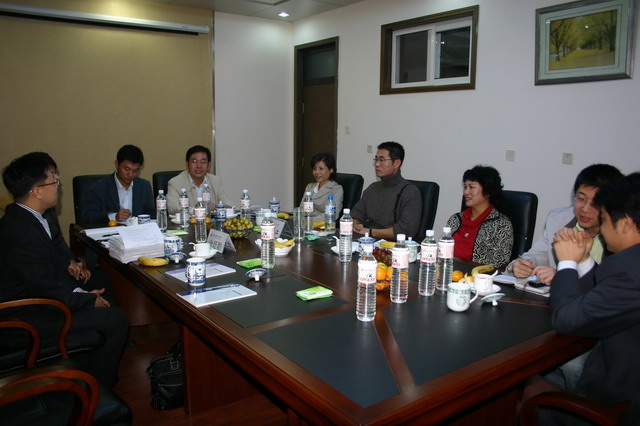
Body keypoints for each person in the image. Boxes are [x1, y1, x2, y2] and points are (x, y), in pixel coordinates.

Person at [0, 152, 128, 389]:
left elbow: (48, 268)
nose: (58, 185)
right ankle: (98, 387)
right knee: (117, 320)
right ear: (37, 191)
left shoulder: (28, 216)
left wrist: (75, 274)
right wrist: (87, 299)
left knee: (102, 279)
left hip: (42, 296)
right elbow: (45, 289)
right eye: (54, 180)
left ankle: (93, 358)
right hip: (29, 317)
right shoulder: (22, 233)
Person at [541, 173, 640, 424]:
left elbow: (565, 319)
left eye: (604, 220)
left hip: (616, 400)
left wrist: (567, 263)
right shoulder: (631, 265)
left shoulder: (627, 269)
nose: (602, 231)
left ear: (625, 224)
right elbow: (609, 296)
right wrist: (584, 260)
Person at [506, 164, 622, 284]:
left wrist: (563, 276)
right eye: (581, 199)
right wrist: (521, 265)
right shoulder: (557, 219)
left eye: (596, 203)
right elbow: (538, 254)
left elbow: (615, 286)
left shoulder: (622, 235)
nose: (585, 209)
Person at [446, 165, 513, 268]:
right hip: (448, 272)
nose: (466, 192)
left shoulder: (501, 225)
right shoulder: (455, 219)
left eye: (471, 187)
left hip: (478, 276)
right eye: (465, 187)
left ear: (488, 191)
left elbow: (499, 263)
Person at [351, 142, 421, 240]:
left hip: (394, 246)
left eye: (382, 160)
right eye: (376, 159)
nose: (377, 164)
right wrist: (356, 224)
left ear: (396, 163)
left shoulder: (410, 192)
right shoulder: (372, 188)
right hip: (368, 242)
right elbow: (356, 214)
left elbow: (406, 230)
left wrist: (371, 232)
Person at [80, 144, 155, 224]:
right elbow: (88, 217)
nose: (130, 174)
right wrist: (114, 217)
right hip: (110, 231)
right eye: (126, 169)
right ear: (116, 164)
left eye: (135, 171)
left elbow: (152, 214)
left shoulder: (144, 186)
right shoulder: (99, 188)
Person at [167, 145, 233, 214]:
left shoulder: (215, 180)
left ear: (209, 165)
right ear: (187, 164)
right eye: (194, 161)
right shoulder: (175, 183)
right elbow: (173, 207)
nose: (199, 166)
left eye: (203, 162)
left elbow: (228, 203)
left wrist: (221, 206)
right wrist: (200, 210)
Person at [299, 152, 343, 221]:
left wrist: (309, 219)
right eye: (314, 169)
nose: (317, 172)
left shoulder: (336, 189)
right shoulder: (309, 187)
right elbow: (301, 209)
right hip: (306, 223)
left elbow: (332, 215)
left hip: (324, 225)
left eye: (321, 168)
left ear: (331, 170)